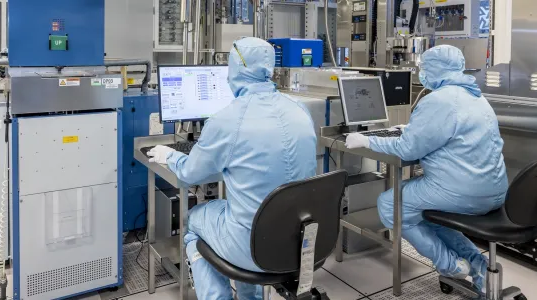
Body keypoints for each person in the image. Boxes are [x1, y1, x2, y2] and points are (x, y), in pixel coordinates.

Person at [145, 37, 318, 300]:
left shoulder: (227, 120)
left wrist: (169, 155)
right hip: (299, 240)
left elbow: (189, 174)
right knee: (247, 213)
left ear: (236, 69)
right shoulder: (300, 110)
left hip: (250, 247)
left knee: (194, 221)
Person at [345, 45, 508, 293]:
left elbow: (408, 150)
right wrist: (412, 130)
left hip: (462, 192)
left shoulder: (439, 100)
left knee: (390, 204)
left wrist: (368, 140)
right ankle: (479, 266)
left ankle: (449, 265)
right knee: (428, 214)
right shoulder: (476, 96)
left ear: (436, 69)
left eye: (424, 67)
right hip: (494, 189)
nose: (421, 72)